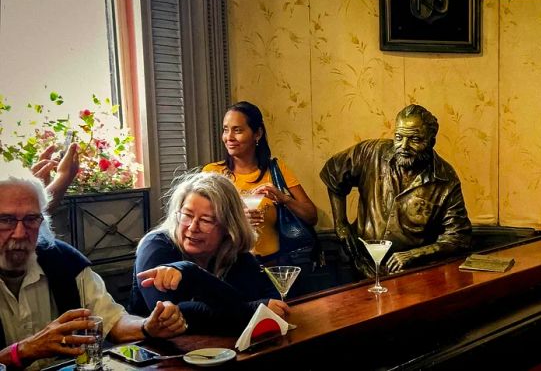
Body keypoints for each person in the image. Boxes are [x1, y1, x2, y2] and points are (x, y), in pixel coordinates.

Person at [0, 167, 186, 370]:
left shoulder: (64, 261)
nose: (19, 233)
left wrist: (148, 326)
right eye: (6, 220)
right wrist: (24, 351)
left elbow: (112, 321)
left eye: (30, 219)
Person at [319, 104, 472, 278]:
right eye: (399, 137)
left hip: (410, 275)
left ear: (431, 142)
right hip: (358, 263)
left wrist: (413, 255)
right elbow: (334, 172)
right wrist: (340, 224)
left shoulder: (445, 179)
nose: (403, 146)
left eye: (414, 139)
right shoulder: (372, 152)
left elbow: (458, 237)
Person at [129, 172, 290, 335]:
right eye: (187, 215)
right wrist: (250, 310)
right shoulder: (155, 246)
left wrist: (193, 276)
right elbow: (169, 317)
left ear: (228, 227)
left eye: (206, 220)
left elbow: (269, 297)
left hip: (221, 350)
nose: (192, 227)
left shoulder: (231, 248)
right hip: (153, 353)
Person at [202, 101, 317, 264]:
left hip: (273, 265)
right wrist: (236, 219)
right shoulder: (212, 173)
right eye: (225, 129)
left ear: (257, 133)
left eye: (238, 130)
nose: (229, 137)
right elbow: (203, 222)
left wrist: (284, 199)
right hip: (229, 266)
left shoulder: (276, 170)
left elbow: (311, 217)